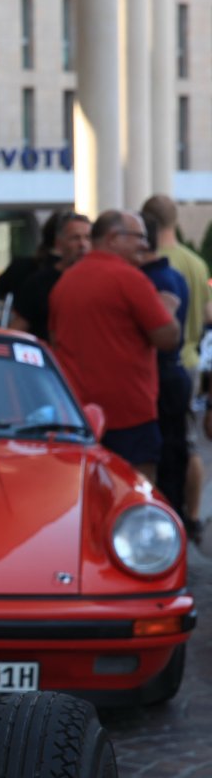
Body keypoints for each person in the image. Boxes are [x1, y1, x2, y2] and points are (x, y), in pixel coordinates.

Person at [49, 211, 180, 481]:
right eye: (139, 237)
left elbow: (54, 339)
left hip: (79, 415)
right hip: (129, 415)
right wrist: (168, 310)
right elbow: (168, 339)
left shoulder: (65, 282)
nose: (145, 244)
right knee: (135, 491)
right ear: (113, 238)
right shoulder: (130, 279)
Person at [142, 194, 210, 540]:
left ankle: (167, 515)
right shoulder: (195, 263)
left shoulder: (155, 266)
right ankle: (193, 515)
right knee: (189, 443)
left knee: (165, 445)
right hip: (192, 360)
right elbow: (208, 314)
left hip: (164, 364)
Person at [141, 216, 192, 521]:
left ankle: (170, 519)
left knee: (167, 456)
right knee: (174, 452)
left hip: (163, 374)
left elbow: (164, 335)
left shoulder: (153, 281)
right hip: (174, 371)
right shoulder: (174, 274)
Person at [8, 211, 91, 340]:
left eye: (88, 237)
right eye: (75, 238)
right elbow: (17, 330)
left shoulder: (101, 281)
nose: (82, 244)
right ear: (59, 244)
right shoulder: (38, 283)